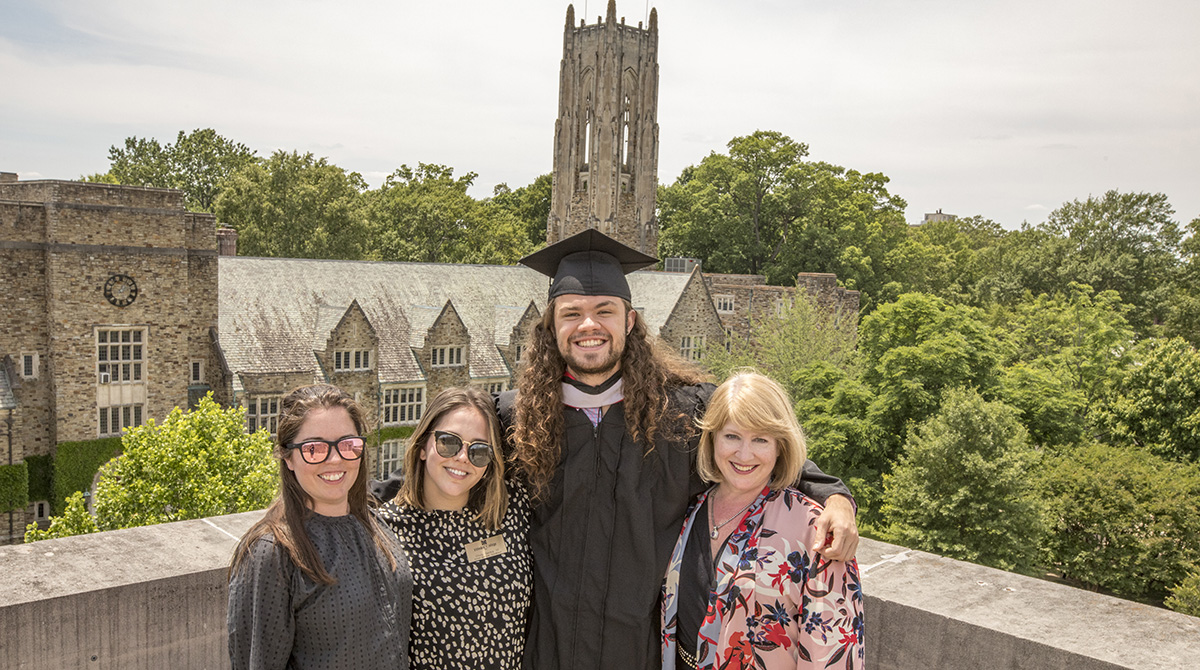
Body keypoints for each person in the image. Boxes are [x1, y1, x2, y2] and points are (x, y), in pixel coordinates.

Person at [502, 229, 861, 670]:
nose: (588, 325)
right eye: (571, 313)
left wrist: (835, 496)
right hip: (545, 651)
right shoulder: (518, 419)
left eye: (605, 311)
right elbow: (442, 467)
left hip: (645, 653)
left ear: (629, 321)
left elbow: (759, 446)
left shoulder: (681, 413)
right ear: (552, 324)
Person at [660, 371, 864, 669]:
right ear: (712, 437)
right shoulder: (690, 507)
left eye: (760, 439)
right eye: (732, 436)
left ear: (780, 445)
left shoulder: (814, 530)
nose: (744, 454)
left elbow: (833, 652)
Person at [227, 384, 411, 670]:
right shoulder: (271, 554)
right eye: (314, 449)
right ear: (288, 457)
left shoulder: (376, 525)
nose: (335, 459)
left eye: (348, 445)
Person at [376, 386, 532, 670]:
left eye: (479, 450)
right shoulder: (385, 532)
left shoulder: (513, 509)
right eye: (449, 442)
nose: (462, 457)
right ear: (423, 446)